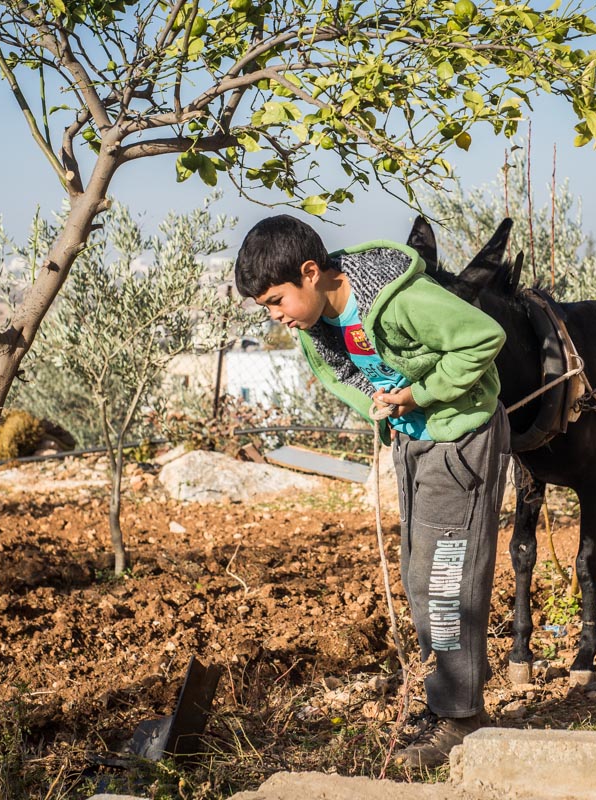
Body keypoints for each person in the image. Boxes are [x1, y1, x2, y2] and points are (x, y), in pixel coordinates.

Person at [234, 215, 510, 768]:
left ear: (310, 273)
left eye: (276, 301)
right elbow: (350, 378)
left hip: (457, 438)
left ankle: (460, 718)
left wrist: (420, 394)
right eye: (265, 307)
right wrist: (382, 408)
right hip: (414, 443)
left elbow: (484, 337)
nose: (275, 316)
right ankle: (446, 702)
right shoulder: (318, 326)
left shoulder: (400, 300)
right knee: (418, 576)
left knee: (445, 581)